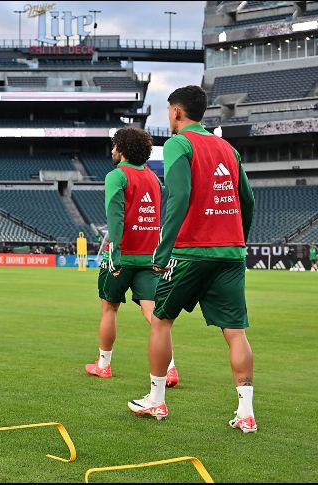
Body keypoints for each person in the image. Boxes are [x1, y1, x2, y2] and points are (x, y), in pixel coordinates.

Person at [128, 86, 257, 433]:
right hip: (230, 252)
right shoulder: (228, 148)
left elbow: (180, 196)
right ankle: (246, 411)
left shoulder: (177, 144)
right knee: (235, 331)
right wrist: (236, 238)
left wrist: (163, 248)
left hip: (190, 251)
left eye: (169, 111)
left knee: (160, 320)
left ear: (176, 112)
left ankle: (156, 400)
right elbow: (248, 200)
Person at [85, 127, 179, 386]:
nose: (112, 150)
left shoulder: (117, 176)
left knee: (109, 308)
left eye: (115, 145)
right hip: (148, 258)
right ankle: (169, 367)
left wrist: (113, 252)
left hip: (122, 255)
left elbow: (115, 217)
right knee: (153, 313)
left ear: (122, 149)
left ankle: (103, 365)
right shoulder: (153, 179)